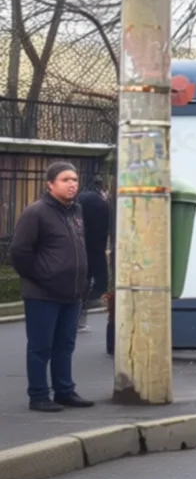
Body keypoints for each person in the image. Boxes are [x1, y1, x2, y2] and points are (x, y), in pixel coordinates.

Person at [11, 162, 94, 412]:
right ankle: (38, 395)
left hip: (72, 292)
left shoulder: (76, 211)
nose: (72, 184)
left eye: (75, 180)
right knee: (40, 346)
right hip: (43, 294)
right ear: (50, 184)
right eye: (65, 179)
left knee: (65, 345)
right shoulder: (36, 212)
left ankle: (64, 391)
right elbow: (19, 251)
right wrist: (41, 276)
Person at [75, 176, 110, 334]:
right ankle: (78, 319)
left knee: (79, 285)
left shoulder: (80, 202)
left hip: (78, 253)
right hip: (94, 252)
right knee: (86, 285)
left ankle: (76, 319)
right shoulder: (102, 205)